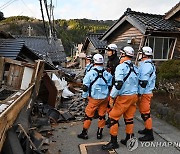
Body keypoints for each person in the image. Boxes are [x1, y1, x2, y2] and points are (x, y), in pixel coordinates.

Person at [102, 46, 138, 150]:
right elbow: (140, 83)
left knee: (113, 118)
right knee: (129, 118)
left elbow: (118, 84)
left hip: (124, 96)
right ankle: (129, 139)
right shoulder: (135, 67)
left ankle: (113, 142)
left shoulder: (120, 67)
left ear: (122, 54)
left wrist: (112, 97)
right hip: (134, 96)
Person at [77, 54, 112, 140]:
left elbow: (85, 87)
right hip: (104, 98)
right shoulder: (107, 74)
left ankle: (84, 133)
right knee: (102, 115)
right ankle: (99, 133)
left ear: (93, 61)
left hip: (93, 98)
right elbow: (110, 86)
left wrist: (84, 97)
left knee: (88, 115)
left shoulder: (90, 74)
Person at [137, 46, 156, 141]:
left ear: (144, 54)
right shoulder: (145, 64)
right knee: (142, 112)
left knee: (145, 113)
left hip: (145, 92)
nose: (139, 54)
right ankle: (146, 128)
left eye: (141, 53)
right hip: (145, 92)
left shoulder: (147, 65)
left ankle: (150, 134)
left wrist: (139, 93)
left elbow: (143, 82)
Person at [105, 43, 120, 127]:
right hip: (109, 84)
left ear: (114, 52)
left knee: (113, 103)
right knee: (108, 103)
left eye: (109, 51)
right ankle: (110, 118)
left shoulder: (117, 62)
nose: (108, 52)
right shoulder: (109, 61)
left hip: (114, 85)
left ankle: (115, 120)